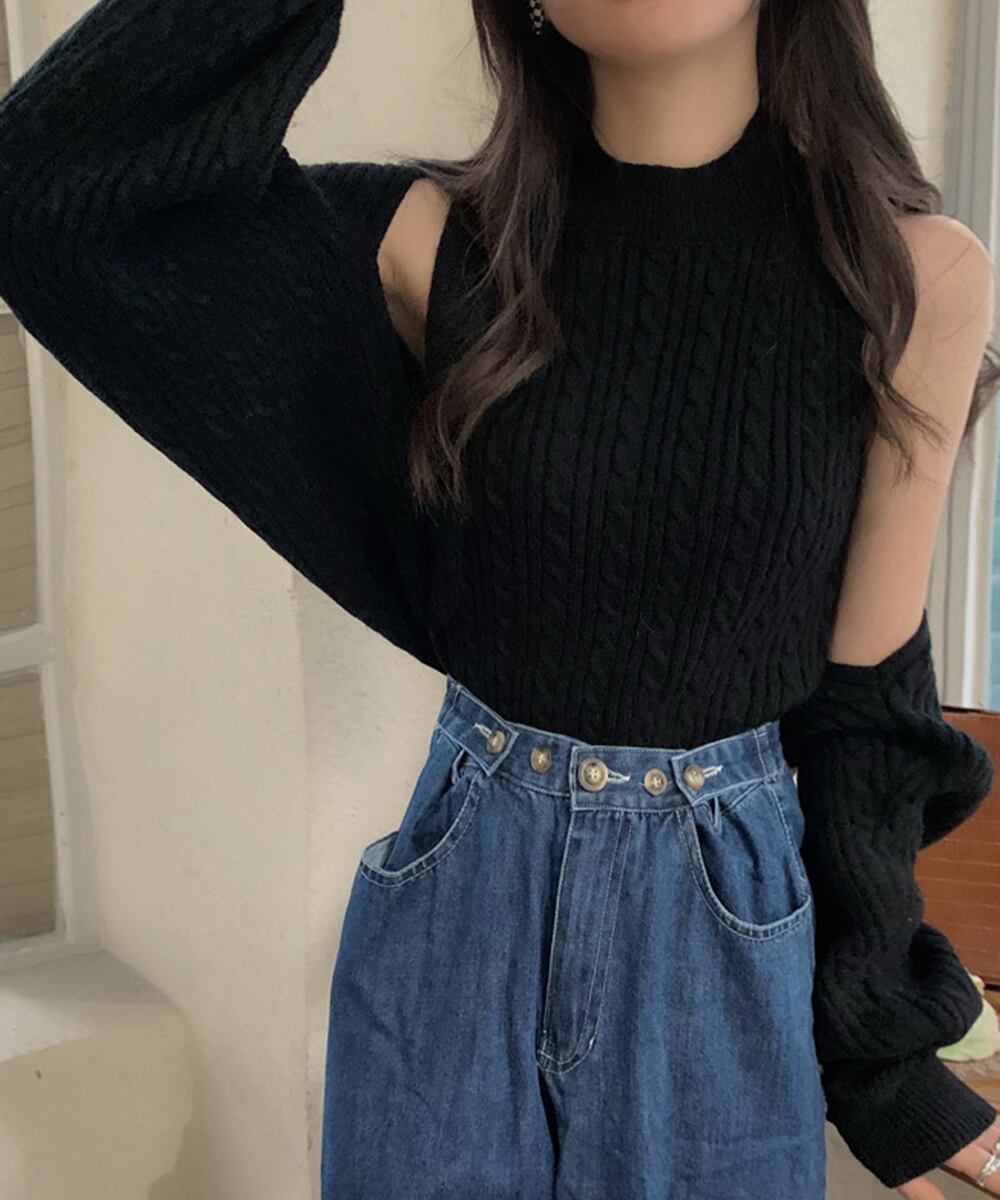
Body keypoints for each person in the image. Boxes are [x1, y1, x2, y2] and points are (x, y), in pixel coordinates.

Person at [0, 0, 997, 1196]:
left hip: (720, 922)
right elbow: (50, 193)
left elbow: (868, 699)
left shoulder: (911, 276)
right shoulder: (432, 242)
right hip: (465, 894)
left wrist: (883, 1062)